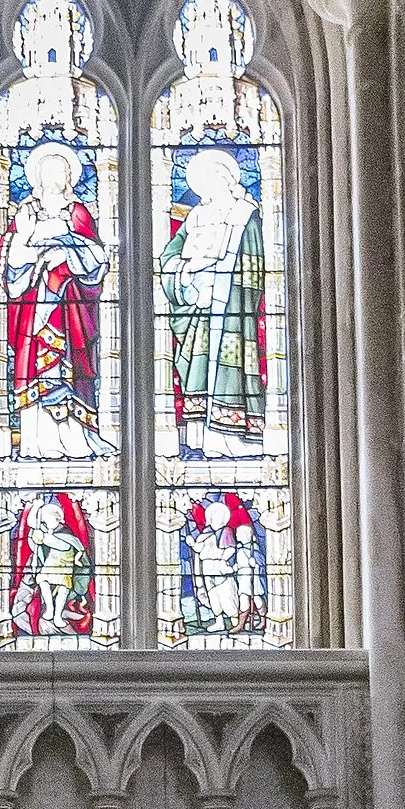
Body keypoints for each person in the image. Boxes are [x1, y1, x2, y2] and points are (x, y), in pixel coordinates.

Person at [0, 140, 109, 460]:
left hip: (69, 302)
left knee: (70, 365)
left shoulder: (77, 212)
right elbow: (10, 258)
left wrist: (66, 250)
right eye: (47, 171)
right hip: (35, 301)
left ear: (69, 177)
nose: (53, 176)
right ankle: (36, 441)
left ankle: (75, 439)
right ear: (38, 178)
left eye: (60, 171)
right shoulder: (27, 212)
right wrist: (31, 250)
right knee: (35, 365)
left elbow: (96, 258)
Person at [157, 145, 266, 457]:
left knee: (231, 373)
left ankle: (234, 441)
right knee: (197, 367)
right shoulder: (196, 216)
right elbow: (169, 256)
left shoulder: (246, 215)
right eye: (206, 180)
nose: (212, 184)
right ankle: (200, 437)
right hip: (199, 304)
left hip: (231, 307)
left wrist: (223, 279)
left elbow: (255, 261)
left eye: (218, 176)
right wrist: (187, 274)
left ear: (229, 178)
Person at [179, 491, 265, 640]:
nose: (214, 520)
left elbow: (230, 549)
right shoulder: (205, 532)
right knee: (213, 596)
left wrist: (222, 560)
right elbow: (199, 548)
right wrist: (192, 543)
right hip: (207, 569)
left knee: (227, 595)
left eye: (218, 517)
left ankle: (235, 620)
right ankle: (219, 621)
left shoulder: (227, 532)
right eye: (212, 517)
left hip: (221, 569)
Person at [9, 492, 94, 639]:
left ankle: (58, 615)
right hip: (50, 566)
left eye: (46, 519)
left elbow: (60, 544)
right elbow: (31, 525)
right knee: (43, 582)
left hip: (63, 568)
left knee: (62, 590)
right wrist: (35, 508)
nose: (44, 522)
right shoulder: (48, 531)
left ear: (57, 519)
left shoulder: (66, 535)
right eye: (43, 520)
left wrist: (43, 538)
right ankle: (49, 610)